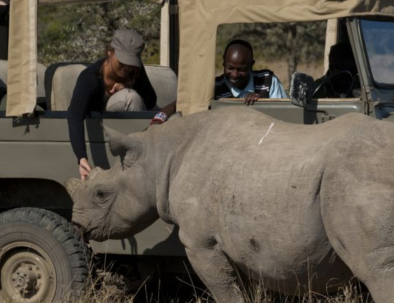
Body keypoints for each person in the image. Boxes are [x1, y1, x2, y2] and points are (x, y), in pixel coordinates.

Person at [67, 29, 157, 180]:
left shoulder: (133, 72)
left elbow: (150, 101)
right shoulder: (89, 78)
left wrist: (128, 85)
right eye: (122, 61)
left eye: (131, 62)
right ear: (110, 51)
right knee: (130, 98)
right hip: (102, 123)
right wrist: (81, 157)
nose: (126, 67)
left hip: (124, 128)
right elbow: (74, 116)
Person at [215, 39, 287, 105]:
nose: (235, 75)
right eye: (230, 68)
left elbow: (282, 113)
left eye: (241, 69)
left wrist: (262, 102)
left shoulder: (268, 81)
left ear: (251, 65)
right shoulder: (214, 87)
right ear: (223, 61)